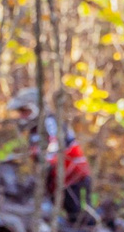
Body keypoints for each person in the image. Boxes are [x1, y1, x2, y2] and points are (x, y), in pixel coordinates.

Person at [8, 87, 94, 223]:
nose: (22, 116)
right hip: (55, 181)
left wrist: (46, 158)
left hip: (73, 178)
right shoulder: (34, 130)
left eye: (25, 111)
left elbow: (55, 146)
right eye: (21, 112)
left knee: (79, 217)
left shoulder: (50, 121)